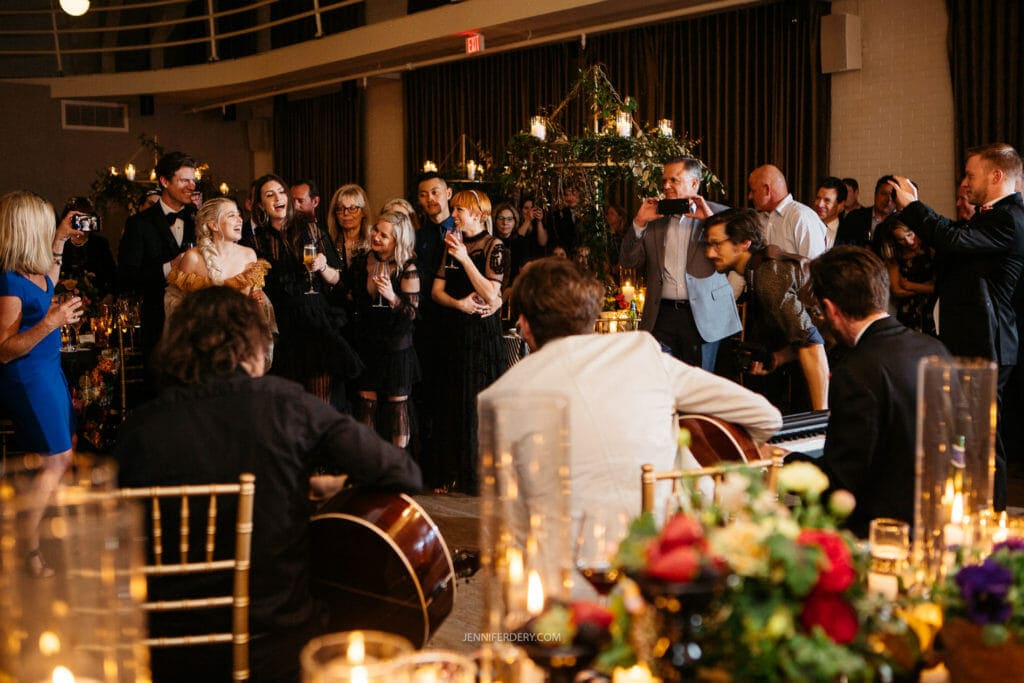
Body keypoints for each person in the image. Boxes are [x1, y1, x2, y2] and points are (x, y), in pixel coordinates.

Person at [114, 286, 421, 682]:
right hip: (273, 648)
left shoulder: (138, 430)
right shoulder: (286, 404)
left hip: (164, 657)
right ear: (254, 347)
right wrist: (328, 490)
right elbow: (402, 472)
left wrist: (298, 484)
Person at [478, 257, 781, 517]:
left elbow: (510, 512)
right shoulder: (642, 352)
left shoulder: (498, 398)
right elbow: (766, 416)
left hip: (564, 572)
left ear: (524, 325)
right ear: (592, 316)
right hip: (666, 555)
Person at [890, 143, 1024, 511]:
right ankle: (967, 510)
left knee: (983, 443)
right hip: (971, 341)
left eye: (971, 174)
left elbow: (952, 238)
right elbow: (951, 241)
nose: (965, 182)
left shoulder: (1009, 218)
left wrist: (913, 208)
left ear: (997, 176)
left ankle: (989, 519)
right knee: (966, 438)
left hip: (988, 345)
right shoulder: (990, 217)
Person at [807, 247, 948, 537]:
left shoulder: (856, 370)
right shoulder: (934, 348)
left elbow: (843, 481)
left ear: (831, 309)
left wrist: (789, 464)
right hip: (938, 518)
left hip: (881, 532)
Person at [0, 190, 85, 577]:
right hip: (28, 377)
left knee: (60, 455)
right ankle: (26, 548)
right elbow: (3, 350)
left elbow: (49, 281)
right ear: (27, 229)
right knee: (56, 459)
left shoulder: (31, 270)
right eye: (47, 224)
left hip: (49, 371)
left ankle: (43, 534)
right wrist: (52, 322)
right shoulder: (8, 282)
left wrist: (62, 240)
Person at [246, 173, 361, 408]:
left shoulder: (313, 230)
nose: (278, 198)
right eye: (269, 195)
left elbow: (337, 279)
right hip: (284, 323)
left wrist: (322, 266)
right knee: (289, 403)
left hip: (315, 318)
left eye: (280, 192)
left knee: (320, 400)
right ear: (260, 204)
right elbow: (256, 283)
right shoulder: (256, 241)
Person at [620, 156, 740, 371]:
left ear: (694, 184)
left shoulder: (721, 215)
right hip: (661, 315)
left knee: (699, 390)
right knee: (663, 384)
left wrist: (710, 222)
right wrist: (639, 223)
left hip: (704, 316)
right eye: (664, 180)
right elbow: (628, 260)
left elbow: (735, 261)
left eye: (674, 180)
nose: (666, 186)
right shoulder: (654, 217)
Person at [704, 208, 829, 412]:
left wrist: (820, 419)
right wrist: (777, 358)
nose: (709, 253)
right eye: (708, 245)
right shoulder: (759, 271)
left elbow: (812, 344)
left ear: (745, 243)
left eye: (717, 244)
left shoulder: (767, 276)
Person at [431, 189, 506, 493]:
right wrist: (457, 304)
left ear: (477, 213)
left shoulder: (494, 246)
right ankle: (453, 471)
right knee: (452, 399)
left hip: (482, 335)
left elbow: (491, 294)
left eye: (459, 210)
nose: (454, 216)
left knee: (478, 402)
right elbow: (436, 291)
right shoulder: (450, 243)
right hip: (455, 327)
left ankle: (479, 476)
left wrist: (464, 258)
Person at [117, 151, 197, 373]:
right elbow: (126, 278)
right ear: (164, 181)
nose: (192, 186)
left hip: (197, 324)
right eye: (184, 180)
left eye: (193, 180)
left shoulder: (199, 220)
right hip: (158, 323)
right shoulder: (138, 224)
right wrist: (169, 267)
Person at [349, 211, 421, 448]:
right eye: (376, 230)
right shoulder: (364, 261)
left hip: (396, 348)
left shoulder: (407, 268)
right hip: (368, 344)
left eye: (384, 235)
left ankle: (398, 469)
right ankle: (370, 465)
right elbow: (352, 296)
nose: (376, 236)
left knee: (397, 409)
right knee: (366, 406)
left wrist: (391, 296)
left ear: (397, 241)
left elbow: (411, 314)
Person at [163, 197, 273, 329]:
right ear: (214, 225)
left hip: (241, 339)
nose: (240, 220)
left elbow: (257, 296)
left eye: (239, 215)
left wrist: (257, 299)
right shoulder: (193, 258)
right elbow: (174, 301)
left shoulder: (249, 255)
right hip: (204, 340)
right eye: (231, 215)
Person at [747, 164, 827, 258]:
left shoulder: (802, 217)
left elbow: (815, 266)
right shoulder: (758, 219)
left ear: (767, 190)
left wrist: (782, 255)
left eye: (753, 191)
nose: (750, 196)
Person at [877, 216, 935, 335]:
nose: (908, 242)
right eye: (901, 239)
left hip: (933, 309)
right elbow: (897, 290)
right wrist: (925, 287)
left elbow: (938, 287)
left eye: (909, 234)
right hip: (908, 312)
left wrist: (909, 285)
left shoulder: (931, 248)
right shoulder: (895, 255)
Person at [835, 174, 897, 249]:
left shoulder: (900, 221)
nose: (888, 200)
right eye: (884, 194)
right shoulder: (855, 217)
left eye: (893, 196)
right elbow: (841, 247)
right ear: (875, 195)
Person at [325, 183, 370, 275]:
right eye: (340, 208)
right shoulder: (327, 242)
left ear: (363, 212)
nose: (345, 213)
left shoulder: (372, 242)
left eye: (352, 208)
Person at [813, 176, 847, 249]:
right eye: (818, 198)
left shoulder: (848, 234)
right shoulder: (806, 225)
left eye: (827, 200)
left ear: (841, 205)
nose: (819, 204)